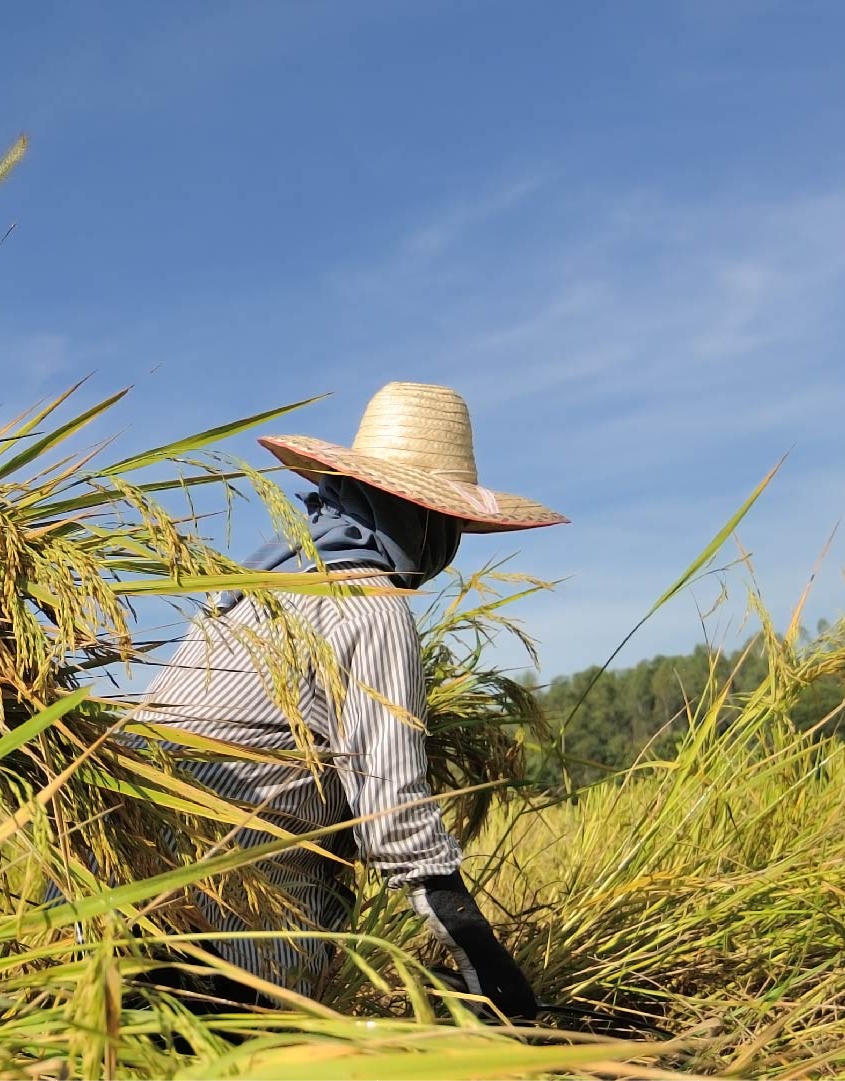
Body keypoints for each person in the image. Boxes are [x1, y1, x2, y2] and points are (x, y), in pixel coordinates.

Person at [130, 381, 566, 1021]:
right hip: (218, 933)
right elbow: (395, 822)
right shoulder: (374, 603)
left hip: (102, 905)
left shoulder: (251, 589)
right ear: (426, 521)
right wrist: (493, 971)